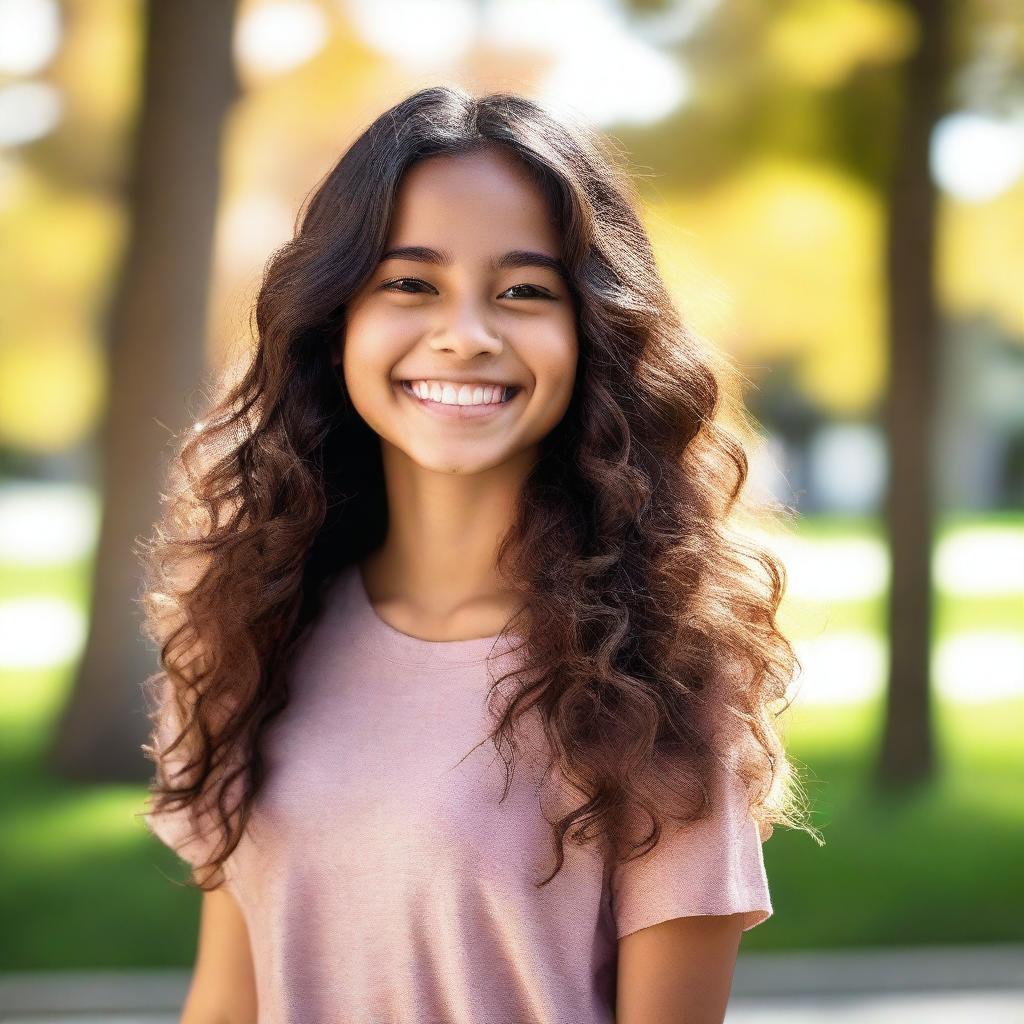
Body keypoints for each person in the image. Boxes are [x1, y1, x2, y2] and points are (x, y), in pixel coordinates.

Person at [138, 84, 814, 1024]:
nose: (466, 334)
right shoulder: (249, 632)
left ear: (593, 335)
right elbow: (227, 1002)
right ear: (337, 323)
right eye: (410, 283)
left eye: (525, 291)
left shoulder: (658, 682)